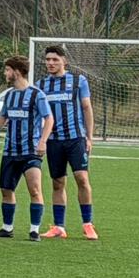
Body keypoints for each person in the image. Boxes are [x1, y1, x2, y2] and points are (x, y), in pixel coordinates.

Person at [0, 56, 52, 240]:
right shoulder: (10, 94)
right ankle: (7, 228)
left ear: (17, 71)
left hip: (31, 151)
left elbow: (49, 118)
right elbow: (3, 117)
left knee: (35, 189)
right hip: (10, 151)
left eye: (7, 70)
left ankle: (34, 230)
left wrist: (43, 141)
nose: (5, 73)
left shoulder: (37, 94)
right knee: (6, 190)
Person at [38, 44, 97, 239]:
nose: (51, 63)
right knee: (57, 182)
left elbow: (87, 108)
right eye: (48, 60)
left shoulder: (79, 81)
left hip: (75, 138)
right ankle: (59, 226)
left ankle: (87, 224)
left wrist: (89, 137)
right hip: (54, 140)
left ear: (64, 61)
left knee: (82, 178)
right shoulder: (41, 85)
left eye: (55, 59)